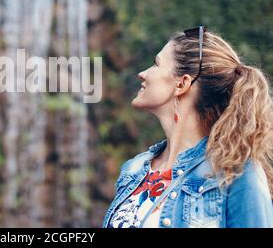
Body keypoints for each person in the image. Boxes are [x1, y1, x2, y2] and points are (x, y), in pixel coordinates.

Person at [102, 26, 273, 228]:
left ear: (182, 84)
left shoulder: (235, 173)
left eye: (156, 65)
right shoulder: (135, 169)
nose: (142, 73)